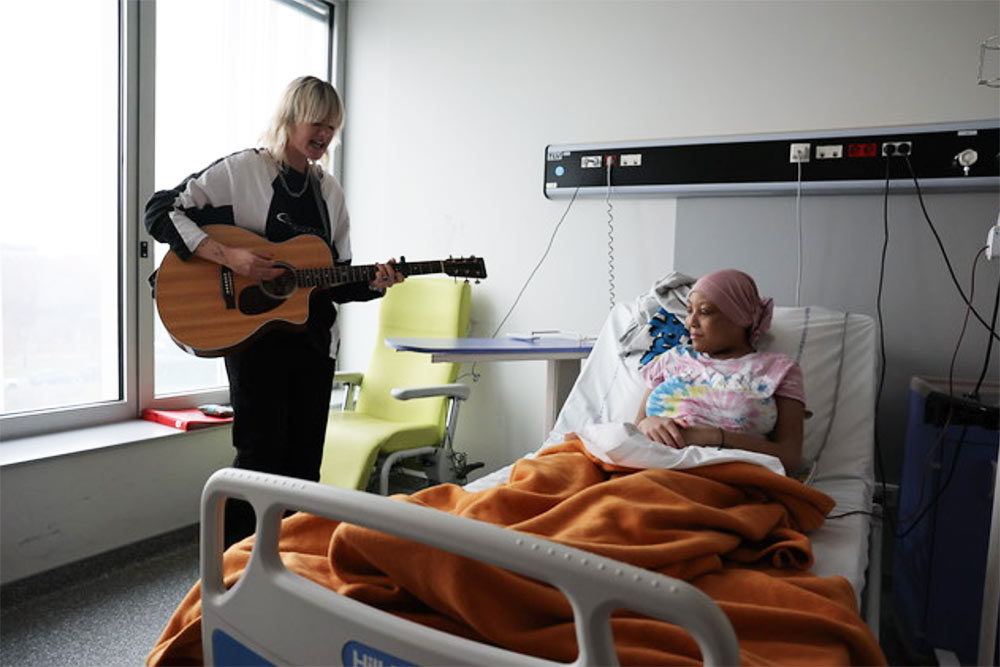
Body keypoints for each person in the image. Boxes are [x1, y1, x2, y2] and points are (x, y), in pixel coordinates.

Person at [145, 75, 404, 546]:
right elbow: (162, 210)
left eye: (333, 127)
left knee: (304, 464)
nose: (325, 135)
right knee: (259, 457)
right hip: (253, 340)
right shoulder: (242, 171)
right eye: (317, 123)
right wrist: (232, 257)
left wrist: (374, 284)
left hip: (312, 344)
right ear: (289, 118)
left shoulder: (330, 195)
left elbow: (333, 281)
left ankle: (288, 567)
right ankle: (232, 571)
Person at [634, 269, 805, 473]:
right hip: (650, 465)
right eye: (690, 311)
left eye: (705, 312)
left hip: (724, 477)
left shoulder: (778, 370)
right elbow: (634, 429)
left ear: (739, 317)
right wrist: (647, 425)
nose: (690, 322)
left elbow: (790, 458)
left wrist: (714, 437)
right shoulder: (672, 359)